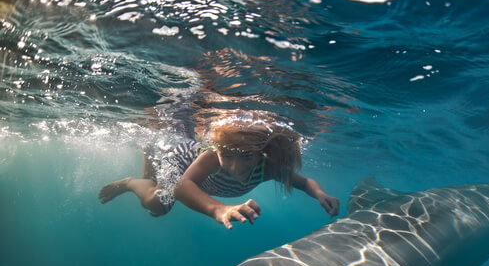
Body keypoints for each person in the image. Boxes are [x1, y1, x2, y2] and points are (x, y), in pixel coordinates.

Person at [98, 112, 340, 229]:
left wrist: (320, 194)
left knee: (155, 188)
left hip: (195, 164)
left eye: (246, 156)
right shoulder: (213, 157)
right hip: (182, 159)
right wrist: (219, 209)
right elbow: (182, 185)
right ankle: (130, 182)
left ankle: (148, 149)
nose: (235, 166)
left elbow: (304, 182)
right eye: (228, 156)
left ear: (260, 153)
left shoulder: (267, 167)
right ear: (218, 150)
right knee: (158, 204)